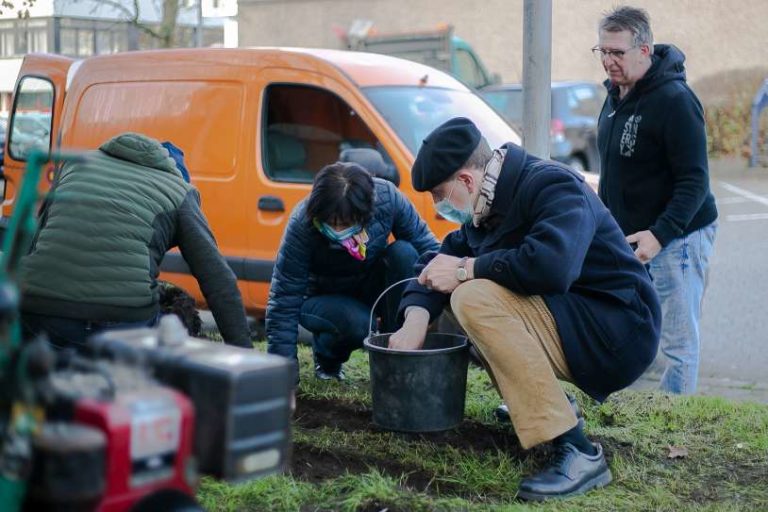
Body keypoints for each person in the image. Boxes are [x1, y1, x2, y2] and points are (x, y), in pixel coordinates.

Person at [390, 117, 660, 500]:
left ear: (466, 181)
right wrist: (415, 318)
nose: (437, 206)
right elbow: (436, 264)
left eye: (438, 193)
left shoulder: (552, 185)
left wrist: (468, 269)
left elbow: (553, 265)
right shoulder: (486, 208)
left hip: (618, 331)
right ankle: (552, 404)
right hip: (573, 317)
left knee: (471, 295)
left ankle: (577, 450)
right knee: (454, 298)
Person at [20, 133, 251, 349]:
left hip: (40, 312)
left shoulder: (75, 165)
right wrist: (245, 357)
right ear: (175, 173)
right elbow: (219, 280)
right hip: (123, 323)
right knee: (178, 324)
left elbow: (34, 242)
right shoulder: (179, 190)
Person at [594, 6, 718, 394]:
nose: (608, 61)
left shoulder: (675, 100)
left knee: (679, 344)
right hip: (630, 240)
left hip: (677, 238)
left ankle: (676, 429)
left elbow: (695, 181)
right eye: (602, 51)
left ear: (644, 51)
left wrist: (660, 235)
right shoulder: (614, 96)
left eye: (617, 53)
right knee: (625, 323)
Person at [266, 161, 439, 382]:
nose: (338, 231)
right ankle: (327, 358)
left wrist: (422, 310)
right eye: (331, 223)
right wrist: (283, 383)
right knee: (358, 323)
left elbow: (430, 249)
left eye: (346, 223)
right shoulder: (303, 224)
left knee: (405, 253)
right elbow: (283, 300)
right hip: (322, 297)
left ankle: (396, 359)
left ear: (365, 214)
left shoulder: (388, 199)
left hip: (368, 283)